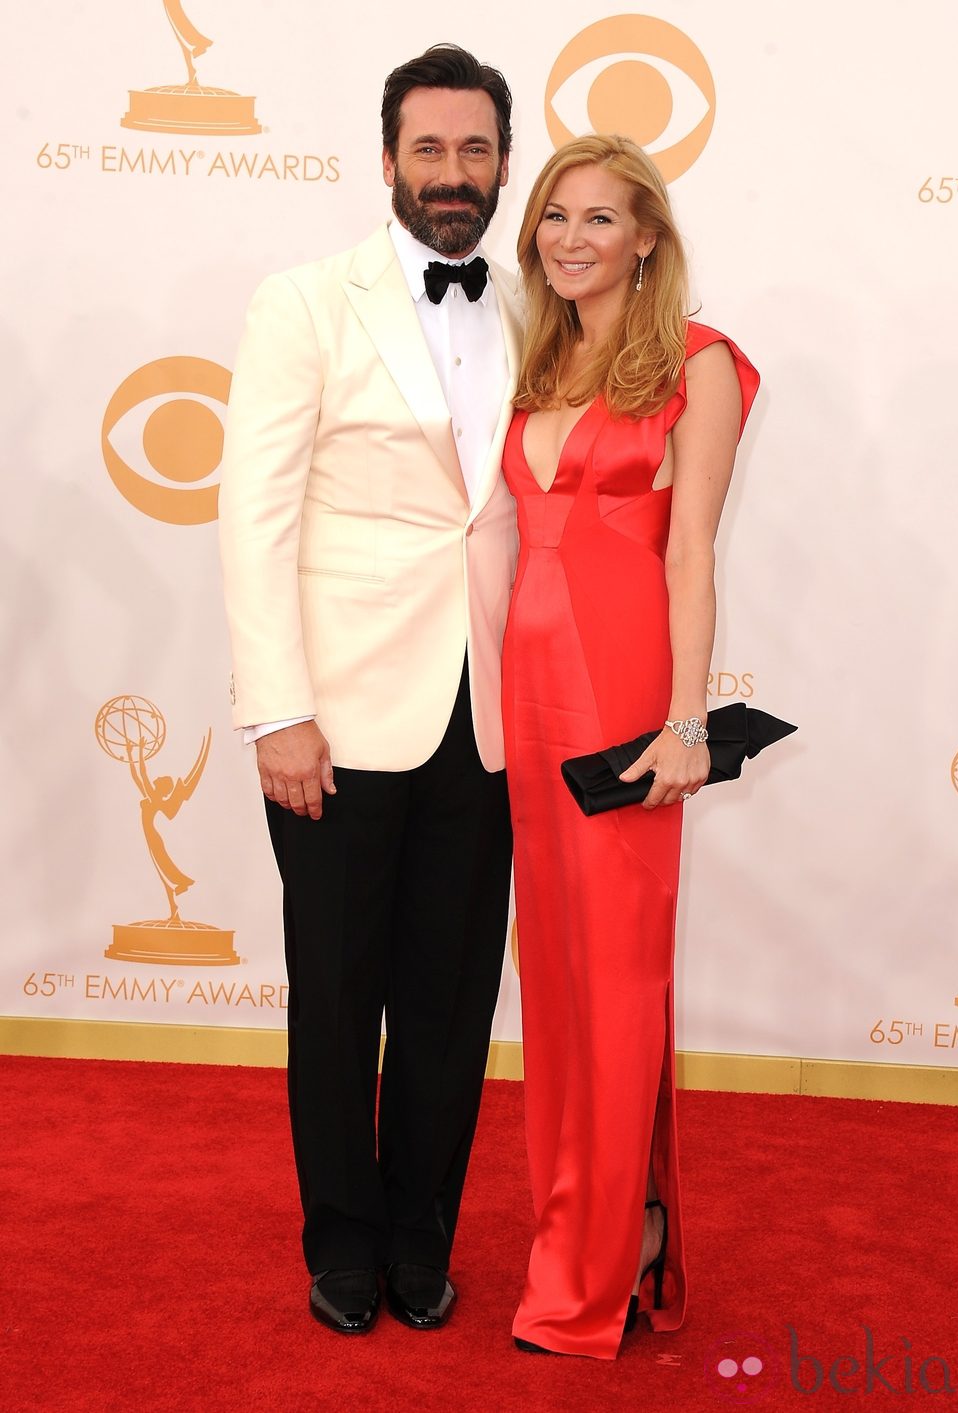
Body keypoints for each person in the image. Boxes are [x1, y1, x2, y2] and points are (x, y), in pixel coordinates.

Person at [218, 44, 521, 1336]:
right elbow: (253, 514)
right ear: (387, 157)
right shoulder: (305, 301)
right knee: (338, 994)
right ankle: (342, 1239)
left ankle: (419, 1239)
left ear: (504, 161)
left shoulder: (536, 307)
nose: (454, 176)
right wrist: (277, 706)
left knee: (451, 1003)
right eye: (431, 149)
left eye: (476, 150)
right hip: (335, 717)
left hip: (493, 715)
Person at [500, 134, 760, 1359]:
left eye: (598, 220)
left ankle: (592, 1270)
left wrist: (686, 721)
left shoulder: (696, 365)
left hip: (618, 696)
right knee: (553, 986)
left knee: (613, 981)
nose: (570, 240)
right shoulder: (533, 357)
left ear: (645, 237)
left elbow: (690, 553)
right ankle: (606, 1223)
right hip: (524, 692)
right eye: (554, 216)